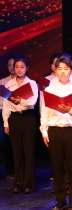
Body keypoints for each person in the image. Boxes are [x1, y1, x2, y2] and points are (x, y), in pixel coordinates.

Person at [40, 56, 72, 210]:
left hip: (71, 130)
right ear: (56, 70)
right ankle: (60, 200)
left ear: (71, 71)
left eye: (66, 69)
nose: (63, 72)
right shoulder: (49, 90)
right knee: (57, 166)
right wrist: (44, 131)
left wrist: (71, 110)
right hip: (54, 130)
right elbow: (44, 112)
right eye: (60, 69)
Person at [2, 56, 38, 194]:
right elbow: (6, 105)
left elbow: (33, 101)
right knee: (17, 152)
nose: (19, 69)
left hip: (28, 118)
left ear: (27, 68)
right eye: (16, 67)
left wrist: (20, 101)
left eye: (22, 67)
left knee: (28, 151)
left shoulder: (32, 83)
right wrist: (6, 122)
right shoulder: (9, 84)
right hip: (15, 118)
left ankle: (29, 183)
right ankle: (18, 182)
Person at [1, 57, 16, 180]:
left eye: (14, 65)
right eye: (10, 65)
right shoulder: (3, 82)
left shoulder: (25, 81)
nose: (12, 67)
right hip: (4, 114)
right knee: (7, 143)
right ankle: (10, 170)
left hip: (17, 114)